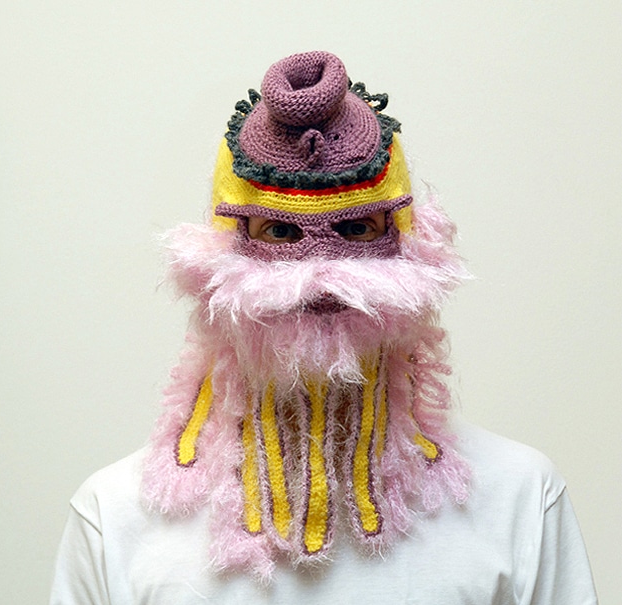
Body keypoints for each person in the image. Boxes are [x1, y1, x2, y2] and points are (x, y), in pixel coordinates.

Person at [50, 51, 598, 604]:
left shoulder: (521, 499)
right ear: (214, 256)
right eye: (278, 233)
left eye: (357, 229)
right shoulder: (113, 517)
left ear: (414, 246)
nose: (319, 272)